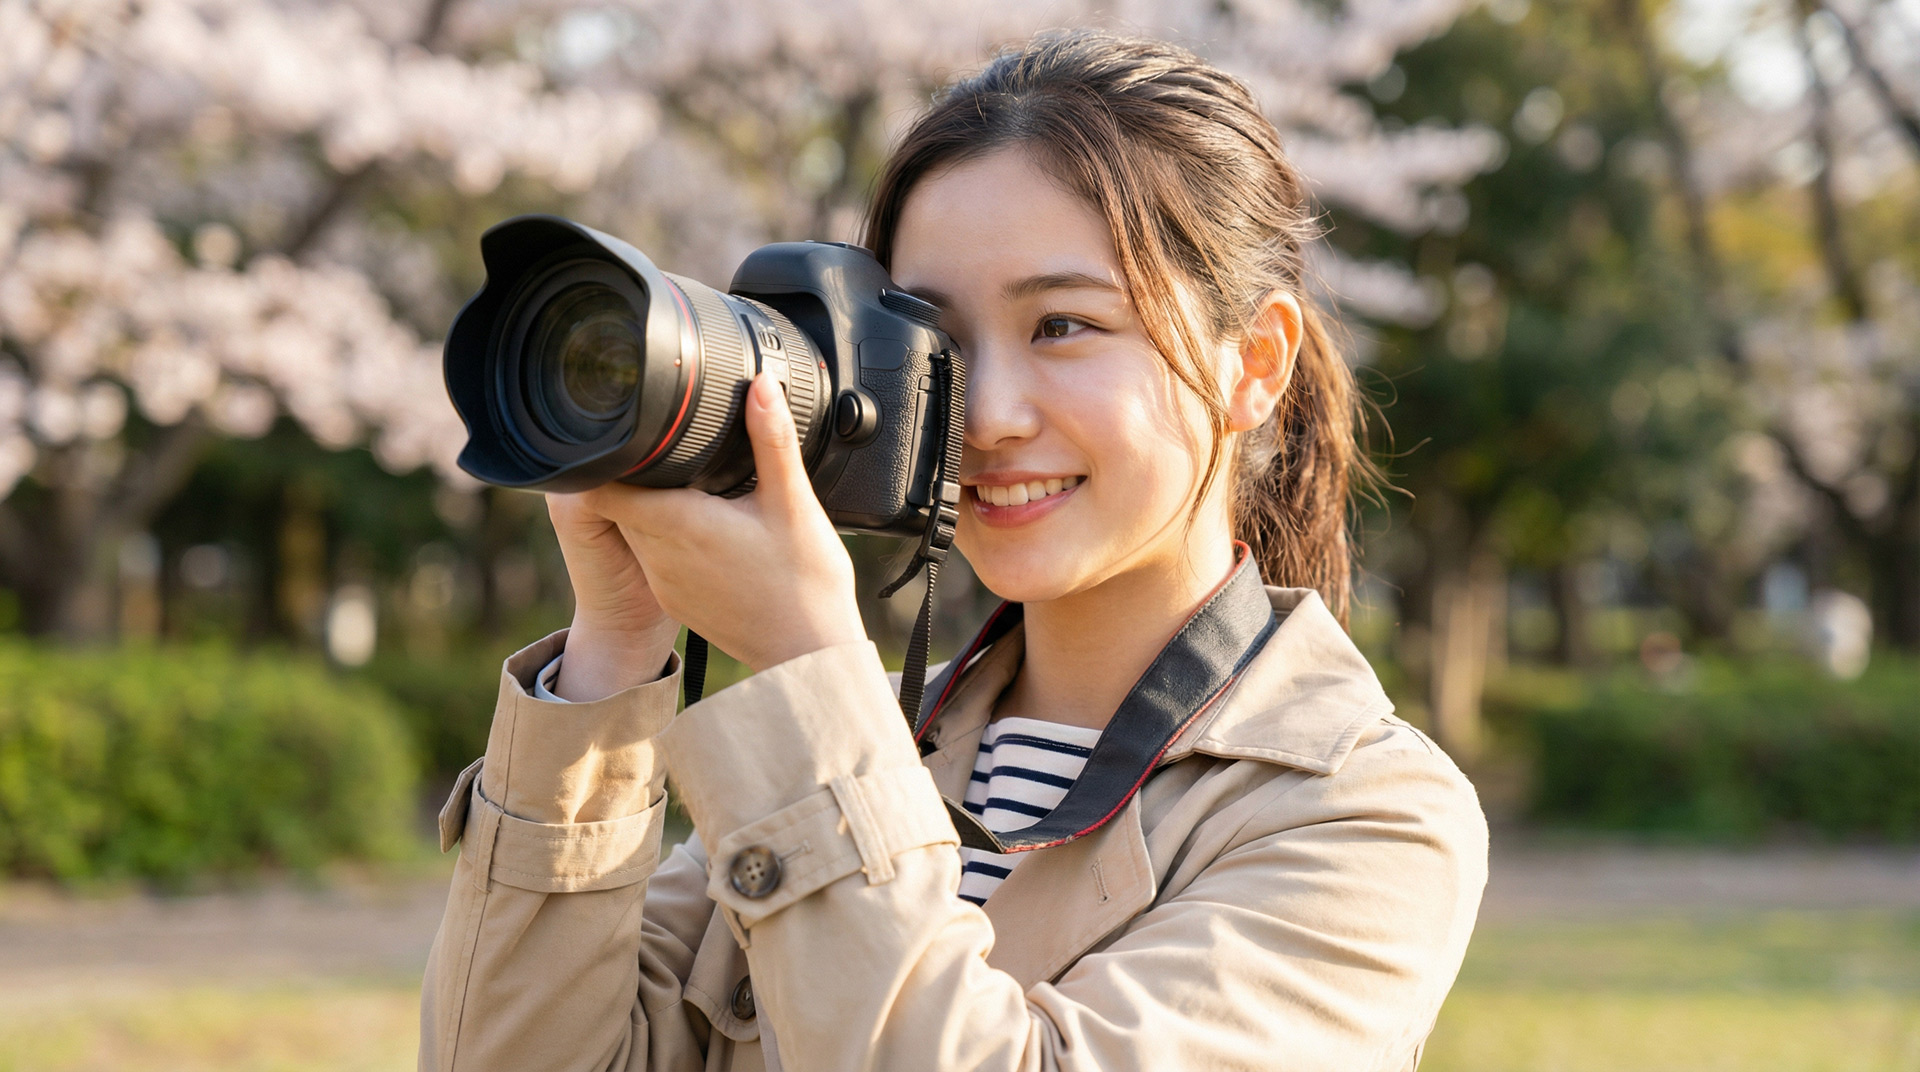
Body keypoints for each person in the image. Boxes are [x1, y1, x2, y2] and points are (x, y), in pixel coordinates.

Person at [420, 29, 1487, 1072]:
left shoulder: (1364, 814)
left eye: (1063, 325)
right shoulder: (873, 738)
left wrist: (804, 661)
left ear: (1256, 362)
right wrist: (616, 647)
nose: (988, 416)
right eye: (938, 345)